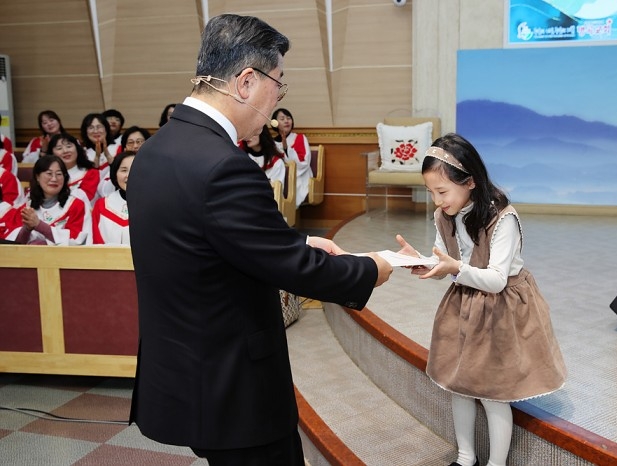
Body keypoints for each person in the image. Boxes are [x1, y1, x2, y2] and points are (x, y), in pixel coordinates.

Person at [127, 14, 392, 465]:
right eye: (278, 85)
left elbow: (212, 241)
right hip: (232, 384)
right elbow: (294, 270)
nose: (277, 101)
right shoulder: (223, 165)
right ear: (246, 81)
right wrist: (372, 268)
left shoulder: (156, 149)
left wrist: (298, 244)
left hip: (183, 370)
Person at [395, 133, 567, 466]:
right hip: (464, 304)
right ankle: (465, 458)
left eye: (442, 191)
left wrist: (454, 268)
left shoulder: (503, 217)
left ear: (470, 181)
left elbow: (496, 280)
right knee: (459, 384)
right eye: (431, 192)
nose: (437, 201)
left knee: (492, 393)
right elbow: (445, 259)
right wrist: (423, 261)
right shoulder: (443, 216)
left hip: (501, 308)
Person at [6, 155, 91, 245]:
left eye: (59, 174)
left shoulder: (77, 206)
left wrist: (39, 225)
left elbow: (77, 241)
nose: (54, 179)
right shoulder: (26, 209)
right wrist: (27, 229)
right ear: (37, 177)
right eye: (49, 173)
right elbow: (13, 245)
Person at [92, 151, 134, 245]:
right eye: (124, 170)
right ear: (115, 174)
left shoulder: (153, 206)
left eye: (134, 169)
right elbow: (96, 242)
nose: (129, 175)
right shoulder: (102, 205)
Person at [47, 132, 100, 205]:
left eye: (69, 146)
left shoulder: (91, 173)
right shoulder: (46, 175)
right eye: (59, 148)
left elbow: (84, 199)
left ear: (77, 149)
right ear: (52, 153)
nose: (65, 151)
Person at [272, 108, 310, 207]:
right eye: (282, 119)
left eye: (288, 118)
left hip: (299, 177)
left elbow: (304, 163)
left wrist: (286, 149)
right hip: (276, 175)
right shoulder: (271, 143)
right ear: (275, 123)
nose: (286, 121)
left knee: (287, 189)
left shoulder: (299, 138)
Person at [80, 112, 117, 178]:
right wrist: (97, 156)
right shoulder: (81, 153)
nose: (96, 131)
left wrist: (107, 155)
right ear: (85, 132)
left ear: (106, 129)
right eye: (91, 128)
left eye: (99, 127)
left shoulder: (118, 148)